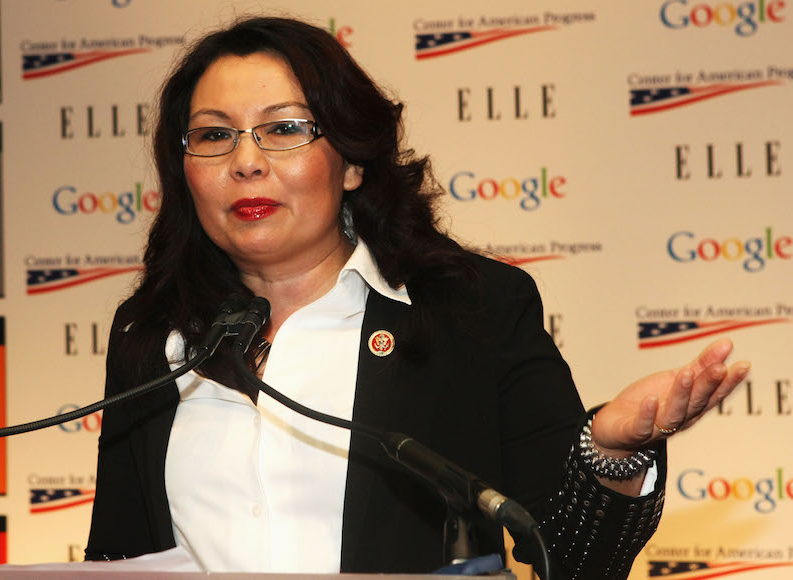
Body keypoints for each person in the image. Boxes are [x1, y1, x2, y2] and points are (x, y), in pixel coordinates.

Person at [84, 16, 750, 579]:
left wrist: (609, 452)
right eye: (213, 134)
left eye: (285, 128)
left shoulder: (468, 312)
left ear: (350, 161)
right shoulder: (151, 334)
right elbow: (115, 554)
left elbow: (573, 559)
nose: (246, 161)